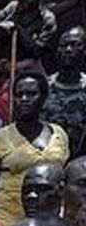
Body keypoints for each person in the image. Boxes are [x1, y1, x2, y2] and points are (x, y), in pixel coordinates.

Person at [0, 70, 72, 226]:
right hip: (9, 225)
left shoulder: (59, 135)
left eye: (31, 94)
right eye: (19, 94)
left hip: (51, 224)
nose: (24, 99)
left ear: (43, 98)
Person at [44, 27, 86, 156]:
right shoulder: (43, 87)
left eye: (75, 45)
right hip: (47, 155)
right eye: (64, 45)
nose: (68, 50)